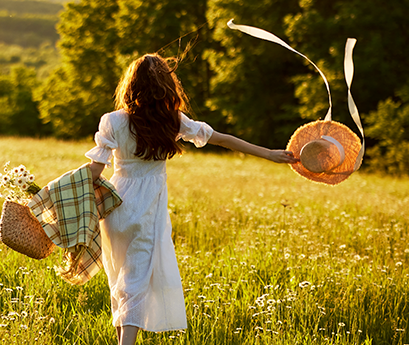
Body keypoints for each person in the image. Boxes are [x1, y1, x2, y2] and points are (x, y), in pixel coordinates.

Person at [83, 54, 297, 345]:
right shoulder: (172, 121)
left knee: (119, 279)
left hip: (116, 207)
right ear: (166, 86)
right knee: (135, 283)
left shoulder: (113, 121)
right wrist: (269, 154)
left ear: (131, 86)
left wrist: (56, 191)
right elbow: (222, 139)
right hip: (147, 210)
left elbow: (95, 170)